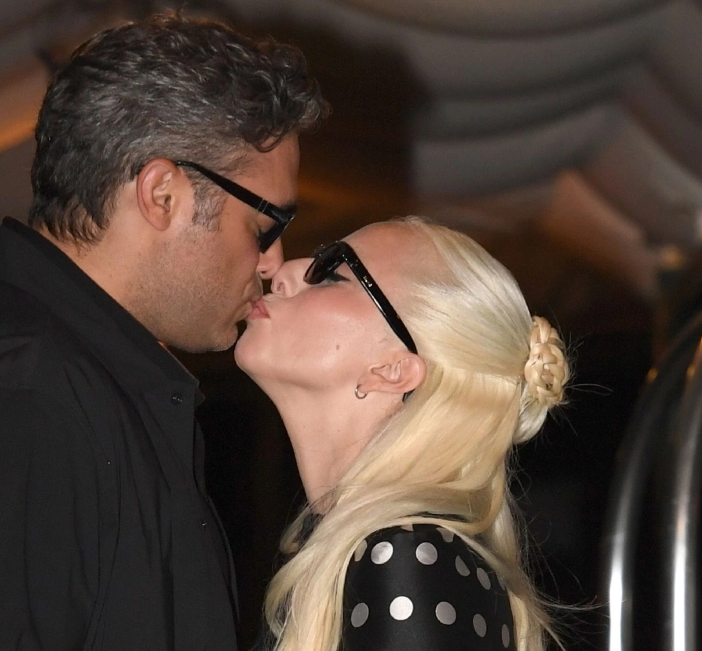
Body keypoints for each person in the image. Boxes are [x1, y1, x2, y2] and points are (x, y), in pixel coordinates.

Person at [0, 12, 327, 650]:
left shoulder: (52, 374)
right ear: (162, 195)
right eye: (265, 226)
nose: (274, 262)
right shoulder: (17, 388)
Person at [234, 217, 570, 651]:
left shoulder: (405, 555)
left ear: (393, 368)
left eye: (333, 274)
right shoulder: (400, 551)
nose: (283, 272)